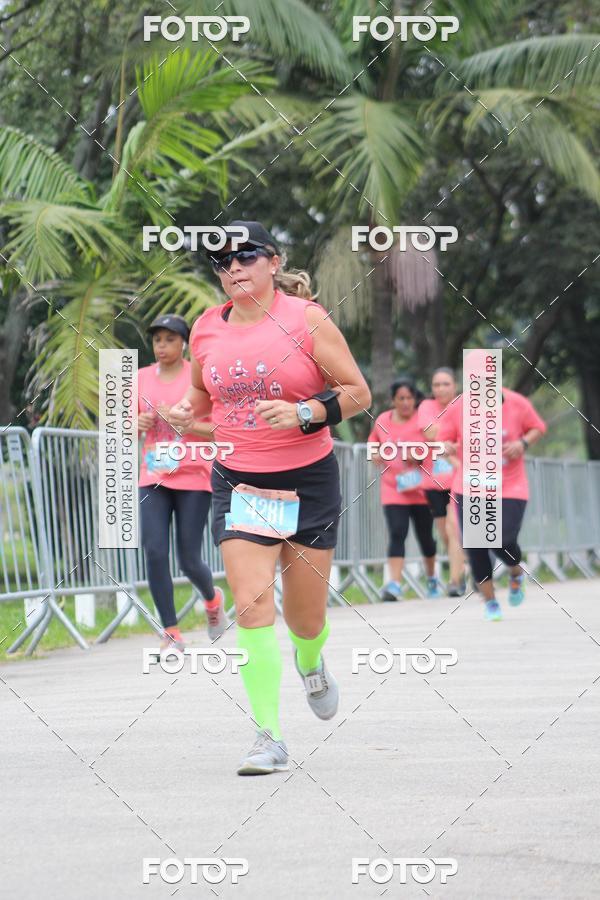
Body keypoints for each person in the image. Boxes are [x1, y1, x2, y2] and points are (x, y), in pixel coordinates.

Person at [169, 221, 371, 776]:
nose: (233, 268)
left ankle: (311, 661)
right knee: (252, 606)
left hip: (307, 479)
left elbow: (357, 392)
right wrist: (184, 417)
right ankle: (269, 736)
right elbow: (199, 400)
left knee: (305, 619)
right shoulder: (207, 327)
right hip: (239, 480)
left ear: (274, 262)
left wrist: (306, 412)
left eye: (245, 256)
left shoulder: (307, 320)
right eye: (222, 262)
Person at [137, 314, 226, 652]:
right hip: (154, 475)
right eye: (157, 339)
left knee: (188, 558)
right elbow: (121, 425)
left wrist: (186, 425)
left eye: (170, 339)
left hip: (193, 473)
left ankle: (212, 598)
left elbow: (217, 427)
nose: (162, 346)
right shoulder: (141, 378)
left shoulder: (197, 376)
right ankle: (171, 630)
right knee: (155, 551)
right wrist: (138, 422)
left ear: (184, 343)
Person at [437, 371, 546, 621]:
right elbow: (442, 441)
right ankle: (491, 602)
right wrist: (447, 448)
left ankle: (515, 572)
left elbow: (537, 427)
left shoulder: (516, 403)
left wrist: (523, 444)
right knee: (476, 545)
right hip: (471, 486)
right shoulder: (459, 407)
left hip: (510, 485)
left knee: (502, 537)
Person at [368, 377, 442, 602]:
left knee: (425, 538)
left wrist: (419, 455)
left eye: (410, 398)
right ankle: (395, 584)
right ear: (393, 400)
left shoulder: (423, 419)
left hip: (421, 489)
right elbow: (372, 444)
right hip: (394, 488)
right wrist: (376, 455)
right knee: (397, 533)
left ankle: (431, 578)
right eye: (401, 398)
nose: (406, 403)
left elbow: (438, 445)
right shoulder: (383, 420)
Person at [417, 367, 466, 596]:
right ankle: (464, 569)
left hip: (461, 476)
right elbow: (428, 432)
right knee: (446, 533)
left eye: (445, 384)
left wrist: (451, 438)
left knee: (454, 527)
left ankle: (455, 581)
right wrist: (453, 436)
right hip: (434, 481)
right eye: (436, 385)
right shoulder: (427, 406)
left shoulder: (465, 405)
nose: (440, 389)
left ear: (454, 385)